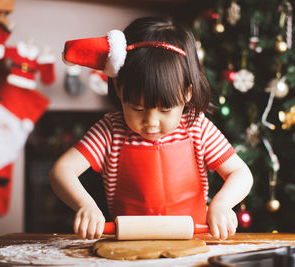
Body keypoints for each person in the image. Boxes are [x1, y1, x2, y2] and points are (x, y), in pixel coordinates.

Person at [49, 16, 253, 241]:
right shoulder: (110, 131)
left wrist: (222, 205)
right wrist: (86, 206)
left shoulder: (197, 127)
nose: (151, 122)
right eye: (137, 108)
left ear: (187, 93)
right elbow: (61, 170)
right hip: (128, 244)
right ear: (119, 89)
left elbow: (240, 173)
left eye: (165, 110)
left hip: (193, 241)